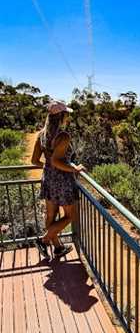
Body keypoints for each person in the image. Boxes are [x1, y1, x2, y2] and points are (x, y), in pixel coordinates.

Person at [30, 101, 86, 260]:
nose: (67, 117)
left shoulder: (41, 134)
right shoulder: (63, 136)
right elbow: (56, 161)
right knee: (70, 216)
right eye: (66, 114)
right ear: (61, 116)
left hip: (48, 179)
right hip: (62, 181)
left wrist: (47, 167)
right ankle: (43, 240)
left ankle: (58, 248)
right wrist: (75, 169)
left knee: (51, 216)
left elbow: (35, 160)